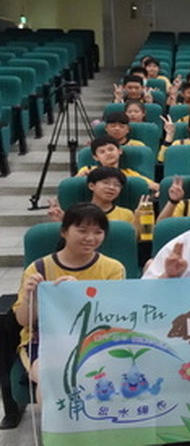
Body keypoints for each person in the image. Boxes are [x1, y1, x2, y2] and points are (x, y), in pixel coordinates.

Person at [14, 203, 125, 401]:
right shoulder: (39, 268)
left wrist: (78, 294)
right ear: (64, 231)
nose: (90, 238)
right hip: (45, 340)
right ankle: (52, 423)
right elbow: (23, 321)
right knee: (49, 378)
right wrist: (31, 297)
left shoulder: (113, 269)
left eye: (98, 232)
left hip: (94, 339)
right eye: (82, 231)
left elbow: (114, 315)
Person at [49, 167, 144, 232]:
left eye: (117, 185)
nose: (111, 187)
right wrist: (61, 222)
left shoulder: (127, 214)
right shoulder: (76, 213)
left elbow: (131, 241)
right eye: (106, 183)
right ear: (91, 186)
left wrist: (138, 218)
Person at [76, 136, 158, 192]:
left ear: (119, 151)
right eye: (102, 152)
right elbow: (73, 187)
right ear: (95, 157)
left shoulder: (129, 173)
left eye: (111, 149)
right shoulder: (87, 170)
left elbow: (156, 187)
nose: (108, 153)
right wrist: (81, 179)